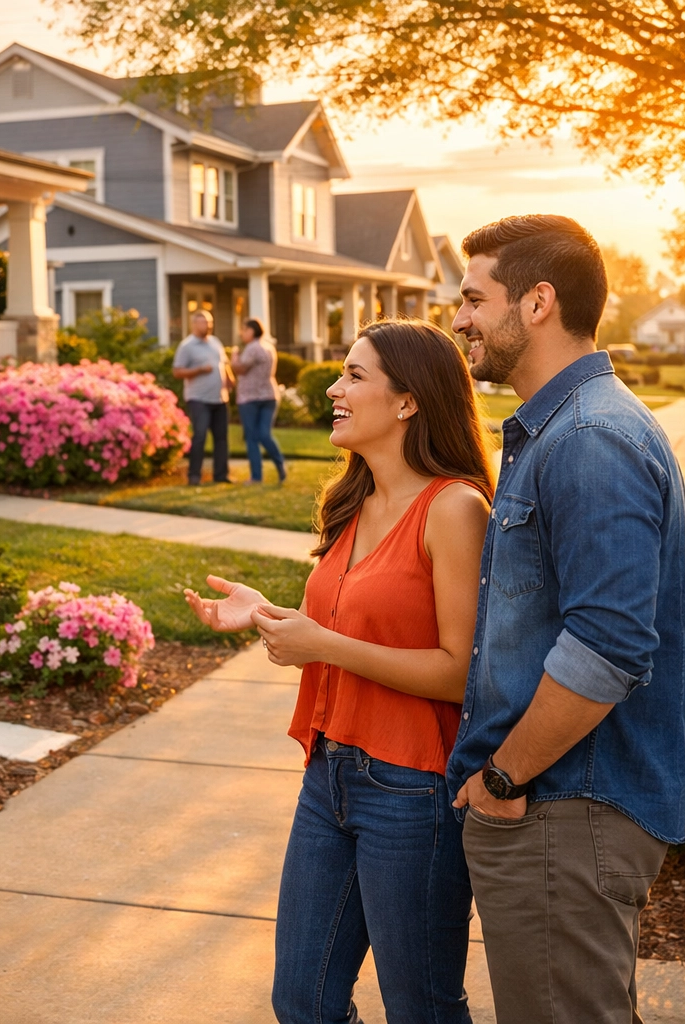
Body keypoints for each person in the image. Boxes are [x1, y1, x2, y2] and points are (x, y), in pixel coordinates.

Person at [183, 318, 493, 1024]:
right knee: (304, 999)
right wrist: (268, 613)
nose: (334, 387)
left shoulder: (454, 508)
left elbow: (459, 673)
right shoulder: (354, 501)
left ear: (409, 401)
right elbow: (350, 627)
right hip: (330, 776)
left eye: (355, 375)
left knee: (423, 1007)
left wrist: (323, 644)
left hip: (412, 790)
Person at [446, 215, 685, 1024]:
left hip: (564, 807)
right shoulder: (566, 428)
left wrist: (505, 778)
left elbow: (608, 648)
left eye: (474, 298)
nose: (458, 319)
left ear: (538, 301)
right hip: (560, 811)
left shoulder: (587, 438)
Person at [172, 310, 234, 485]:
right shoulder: (187, 346)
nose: (207, 325)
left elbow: (224, 363)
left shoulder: (216, 342)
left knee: (221, 438)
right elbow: (177, 371)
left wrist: (229, 378)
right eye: (203, 322)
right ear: (194, 324)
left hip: (220, 399)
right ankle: (194, 476)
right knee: (200, 436)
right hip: (199, 398)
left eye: (209, 322)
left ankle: (221, 475)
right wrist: (199, 370)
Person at [231, 318, 288, 485]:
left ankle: (256, 477)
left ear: (252, 331)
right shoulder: (269, 347)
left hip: (250, 398)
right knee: (264, 434)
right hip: (270, 396)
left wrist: (234, 356)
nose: (242, 333)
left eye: (244, 330)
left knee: (252, 438)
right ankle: (279, 465)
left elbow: (240, 368)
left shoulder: (252, 348)